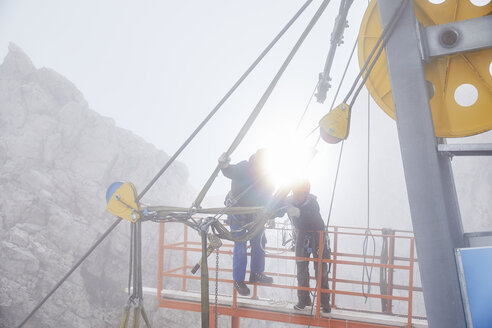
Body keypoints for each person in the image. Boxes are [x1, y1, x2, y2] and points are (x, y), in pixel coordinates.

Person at [219, 149, 275, 296]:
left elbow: (269, 196)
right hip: (238, 214)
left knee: (259, 242)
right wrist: (225, 166)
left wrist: (271, 216)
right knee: (241, 245)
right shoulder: (244, 167)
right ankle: (238, 280)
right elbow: (231, 172)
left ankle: (256, 273)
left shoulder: (266, 174)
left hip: (254, 215)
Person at [286, 179, 331, 313]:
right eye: (295, 194)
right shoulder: (290, 201)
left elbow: (313, 216)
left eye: (300, 194)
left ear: (306, 194)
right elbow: (276, 205)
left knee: (321, 269)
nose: (297, 197)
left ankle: (324, 302)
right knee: (301, 269)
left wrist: (299, 213)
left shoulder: (312, 203)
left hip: (318, 236)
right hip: (302, 236)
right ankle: (303, 299)